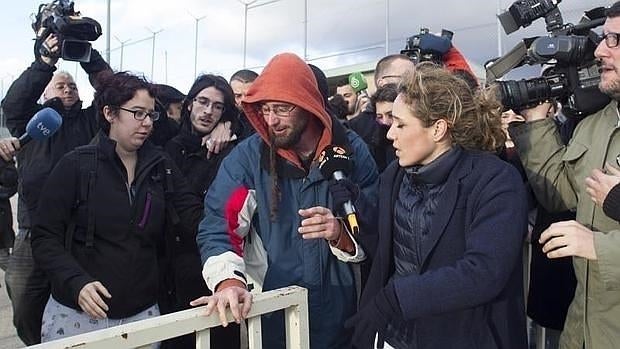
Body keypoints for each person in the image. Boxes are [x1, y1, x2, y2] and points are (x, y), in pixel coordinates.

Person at [191, 52, 379, 348]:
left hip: (343, 318)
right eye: (265, 109)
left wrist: (341, 234)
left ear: (308, 104)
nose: (271, 120)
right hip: (272, 318)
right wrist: (229, 281)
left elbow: (377, 222)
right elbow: (221, 224)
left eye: (282, 108)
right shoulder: (247, 158)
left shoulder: (352, 152)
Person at [348, 64, 528, 349]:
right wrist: (341, 230)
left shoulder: (495, 180)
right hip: (398, 337)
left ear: (438, 129)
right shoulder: (395, 175)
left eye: (401, 124)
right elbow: (387, 249)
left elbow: (484, 271)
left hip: (465, 337)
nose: (390, 134)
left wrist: (398, 297)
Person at [30, 72, 203, 342]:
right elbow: (44, 237)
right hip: (75, 317)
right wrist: (76, 282)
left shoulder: (161, 166)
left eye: (151, 115)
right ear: (110, 113)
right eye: (137, 113)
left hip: (142, 315)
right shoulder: (76, 165)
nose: (147, 123)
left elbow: (196, 217)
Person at [508, 3, 620, 347]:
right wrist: (537, 122)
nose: (600, 49)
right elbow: (560, 194)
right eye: (604, 38)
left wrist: (599, 247)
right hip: (582, 330)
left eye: (614, 39)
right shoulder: (594, 124)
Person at [0, 32, 111, 345]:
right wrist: (46, 62)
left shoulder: (93, 120)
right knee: (23, 300)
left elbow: (113, 93)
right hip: (34, 231)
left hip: (85, 230)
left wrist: (90, 59)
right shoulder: (30, 123)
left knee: (87, 300)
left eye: (72, 86)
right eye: (61, 85)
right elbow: (14, 102)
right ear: (44, 90)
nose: (68, 89)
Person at [163, 74, 240, 348]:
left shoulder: (230, 149)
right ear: (189, 103)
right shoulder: (167, 144)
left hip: (208, 263)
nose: (208, 111)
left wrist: (233, 124)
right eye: (203, 102)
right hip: (164, 266)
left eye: (218, 107)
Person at [229, 69, 259, 139]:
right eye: (237, 96)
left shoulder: (269, 120)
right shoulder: (221, 116)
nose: (243, 100)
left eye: (249, 95)